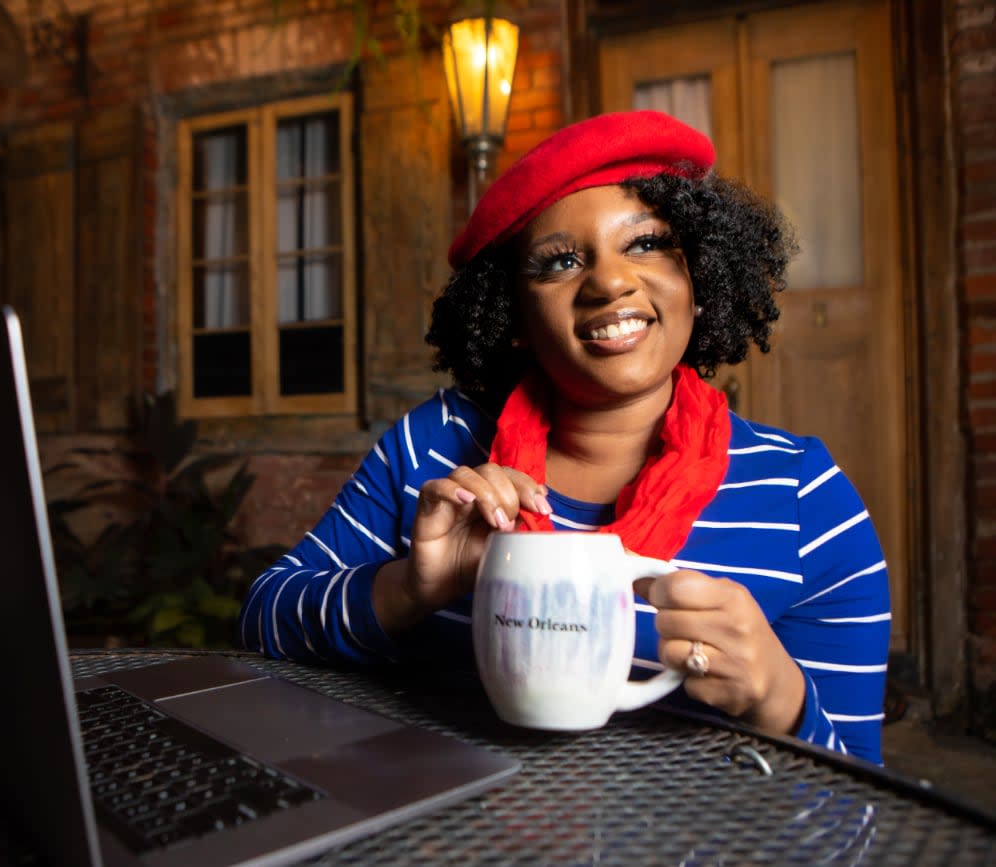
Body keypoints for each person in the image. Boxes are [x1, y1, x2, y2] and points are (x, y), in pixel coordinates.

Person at [237, 110, 890, 765]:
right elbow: (262, 617)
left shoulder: (807, 498)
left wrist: (780, 699)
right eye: (561, 261)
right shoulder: (433, 449)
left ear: (699, 276)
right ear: (514, 316)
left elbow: (865, 820)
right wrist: (412, 586)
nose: (608, 281)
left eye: (644, 243)